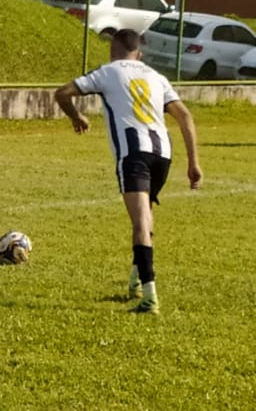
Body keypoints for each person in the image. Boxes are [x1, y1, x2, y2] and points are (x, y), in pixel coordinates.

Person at [55, 29, 202, 315]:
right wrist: (194, 163)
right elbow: (185, 116)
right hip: (163, 155)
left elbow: (62, 93)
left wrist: (76, 116)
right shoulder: (156, 76)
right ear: (140, 52)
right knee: (146, 216)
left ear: (113, 49)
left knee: (140, 222)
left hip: (133, 153)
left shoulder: (108, 72)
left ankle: (150, 297)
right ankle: (136, 282)